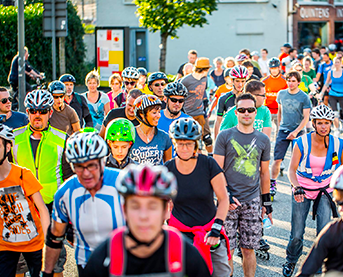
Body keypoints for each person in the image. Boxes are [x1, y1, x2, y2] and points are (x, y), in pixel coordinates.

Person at [83, 163, 211, 277]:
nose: (143, 216)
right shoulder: (104, 257)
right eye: (135, 206)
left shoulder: (184, 253)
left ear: (166, 209)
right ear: (124, 210)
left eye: (152, 206)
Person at [41, 129, 125, 277]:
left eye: (91, 165)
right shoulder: (65, 192)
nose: (86, 173)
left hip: (124, 263)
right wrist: (47, 272)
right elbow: (55, 237)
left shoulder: (124, 183)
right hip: (87, 264)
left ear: (102, 161)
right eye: (79, 166)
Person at [12, 89, 73, 277]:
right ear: (27, 112)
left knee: (55, 262)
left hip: (52, 205)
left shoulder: (62, 138)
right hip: (20, 206)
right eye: (33, 110)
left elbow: (70, 175)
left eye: (42, 111)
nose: (37, 115)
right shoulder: (12, 138)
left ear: (50, 112)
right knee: (18, 263)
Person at [282, 105, 343, 277]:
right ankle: (291, 260)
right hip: (302, 189)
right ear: (314, 124)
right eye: (320, 123)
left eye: (327, 123)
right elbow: (291, 170)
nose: (324, 127)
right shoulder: (301, 142)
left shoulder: (337, 144)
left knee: (324, 231)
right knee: (297, 233)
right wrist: (297, 187)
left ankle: (318, 261)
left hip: (325, 191)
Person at [214, 93, 272, 277]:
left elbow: (264, 172)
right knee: (227, 251)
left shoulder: (263, 140)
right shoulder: (224, 136)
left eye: (250, 110)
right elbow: (216, 170)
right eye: (241, 110)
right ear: (235, 112)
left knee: (248, 250)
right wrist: (226, 195)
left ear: (256, 112)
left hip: (252, 201)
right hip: (227, 201)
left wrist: (266, 202)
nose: (246, 113)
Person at [166, 118, 231, 276]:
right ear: (174, 143)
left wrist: (217, 227)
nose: (185, 148)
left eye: (189, 143)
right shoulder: (167, 168)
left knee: (223, 271)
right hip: (179, 230)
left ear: (196, 144)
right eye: (180, 143)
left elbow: (223, 198)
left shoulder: (208, 164)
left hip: (209, 229)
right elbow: (163, 204)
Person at [0, 124, 50, 277]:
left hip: (34, 242)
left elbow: (42, 208)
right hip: (5, 245)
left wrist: (48, 244)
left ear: (8, 147)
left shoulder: (22, 175)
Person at [270, 71, 311, 200]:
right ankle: (272, 183)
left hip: (298, 131)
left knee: (298, 161)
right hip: (283, 130)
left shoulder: (304, 97)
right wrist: (279, 128)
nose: (291, 83)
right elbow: (279, 112)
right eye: (289, 80)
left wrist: (296, 132)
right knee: (277, 159)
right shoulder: (281, 94)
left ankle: (297, 185)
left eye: (293, 81)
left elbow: (306, 118)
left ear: (299, 82)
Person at [180, 57, 213, 153]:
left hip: (200, 113)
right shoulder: (186, 80)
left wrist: (205, 102)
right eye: (207, 69)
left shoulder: (205, 79)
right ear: (204, 69)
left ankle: (211, 157)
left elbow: (203, 91)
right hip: (188, 114)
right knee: (194, 141)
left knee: (207, 138)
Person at [320, 57, 343, 138]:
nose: (336, 64)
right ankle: (336, 129)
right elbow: (326, 83)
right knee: (335, 114)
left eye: (338, 62)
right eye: (335, 62)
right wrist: (321, 93)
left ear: (340, 63)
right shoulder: (330, 72)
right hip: (332, 94)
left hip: (342, 94)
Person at [131, 94, 172, 165]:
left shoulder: (165, 137)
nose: (158, 116)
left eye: (159, 112)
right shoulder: (130, 135)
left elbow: (168, 166)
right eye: (154, 113)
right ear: (141, 114)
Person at [214, 65, 248, 138]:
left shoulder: (250, 98)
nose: (240, 84)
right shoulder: (224, 98)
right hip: (230, 136)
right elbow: (218, 121)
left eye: (243, 81)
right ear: (232, 81)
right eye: (237, 81)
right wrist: (216, 142)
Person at [262, 57, 288, 132]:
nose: (273, 70)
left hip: (280, 111)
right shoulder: (264, 81)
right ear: (269, 69)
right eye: (272, 68)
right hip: (267, 110)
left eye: (275, 68)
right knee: (265, 132)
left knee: (280, 133)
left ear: (279, 68)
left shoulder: (285, 80)